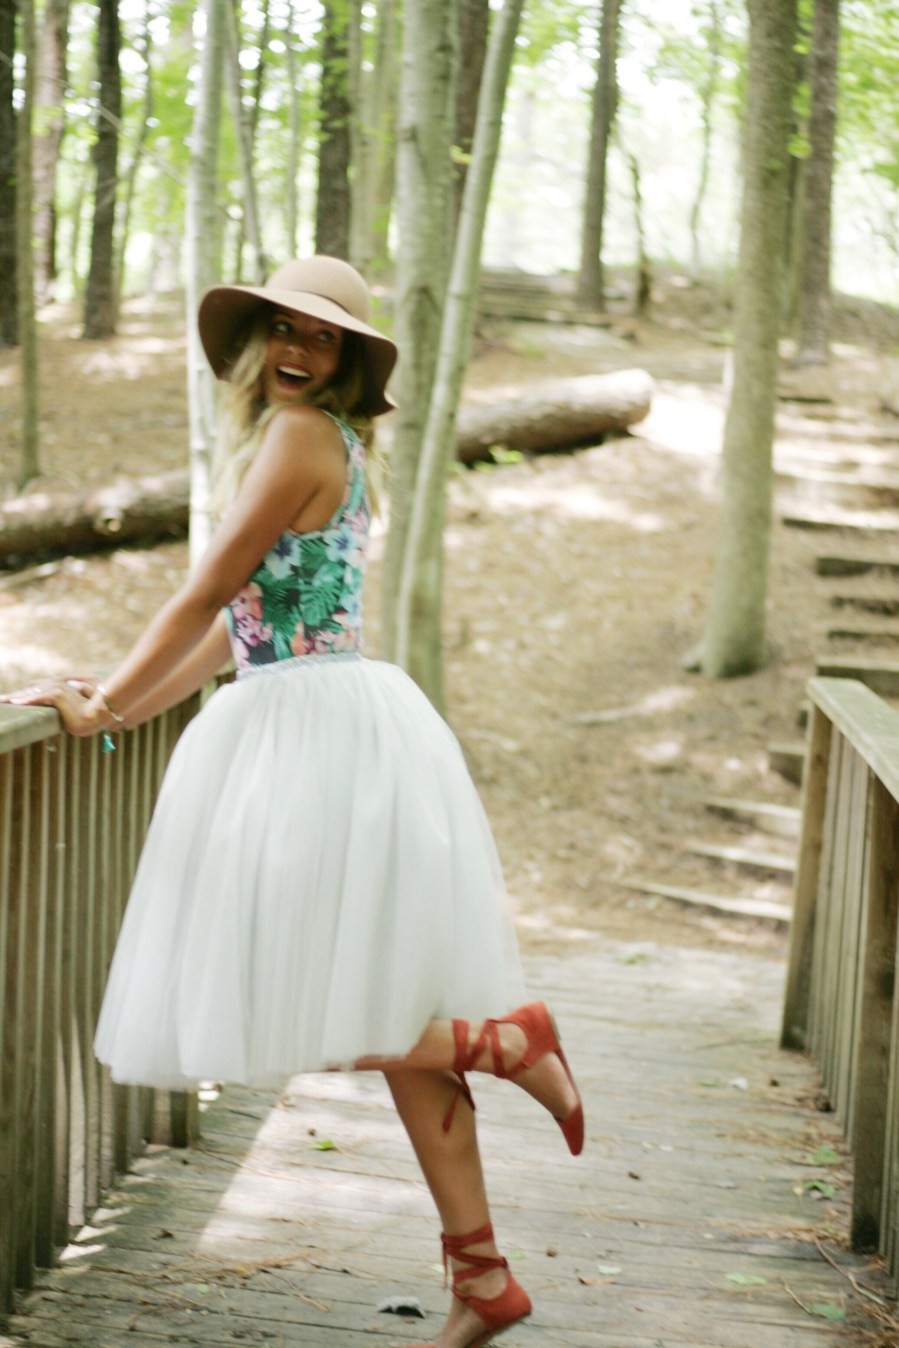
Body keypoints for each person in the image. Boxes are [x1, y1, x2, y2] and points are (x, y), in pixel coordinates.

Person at [2, 256, 583, 1348]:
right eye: (281, 328)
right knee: (380, 1011)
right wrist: (112, 711)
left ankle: (503, 1043)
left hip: (316, 738)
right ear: (253, 338)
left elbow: (205, 591)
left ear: (347, 361)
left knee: (299, 999)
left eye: (321, 338)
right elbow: (238, 634)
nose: (296, 351)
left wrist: (104, 698)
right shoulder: (327, 444)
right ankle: (483, 1276)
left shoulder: (302, 435)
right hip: (321, 718)